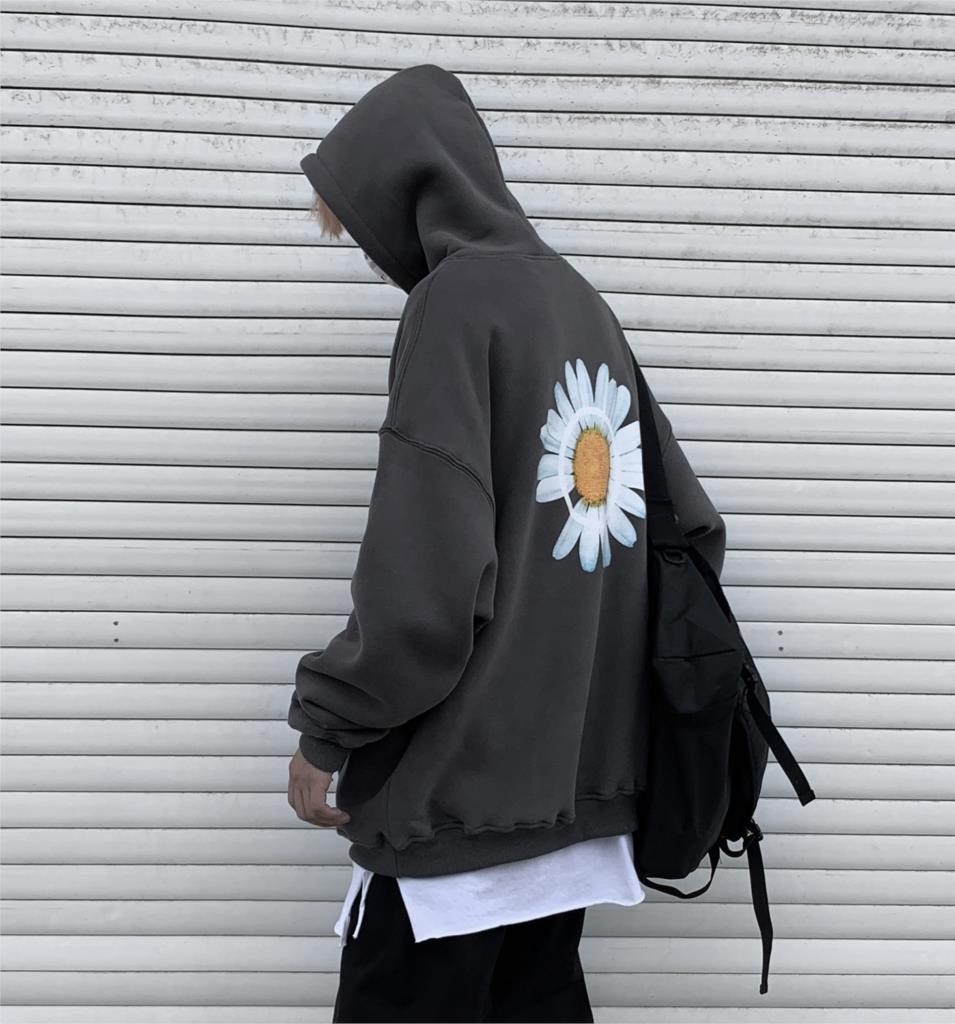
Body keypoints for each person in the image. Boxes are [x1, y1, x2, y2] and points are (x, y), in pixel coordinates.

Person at [285, 64, 727, 1024]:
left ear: (405, 192)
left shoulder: (455, 304)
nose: (372, 256)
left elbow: (424, 590)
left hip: (457, 821)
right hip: (574, 815)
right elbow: (689, 531)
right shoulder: (584, 306)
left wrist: (327, 729)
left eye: (359, 228)